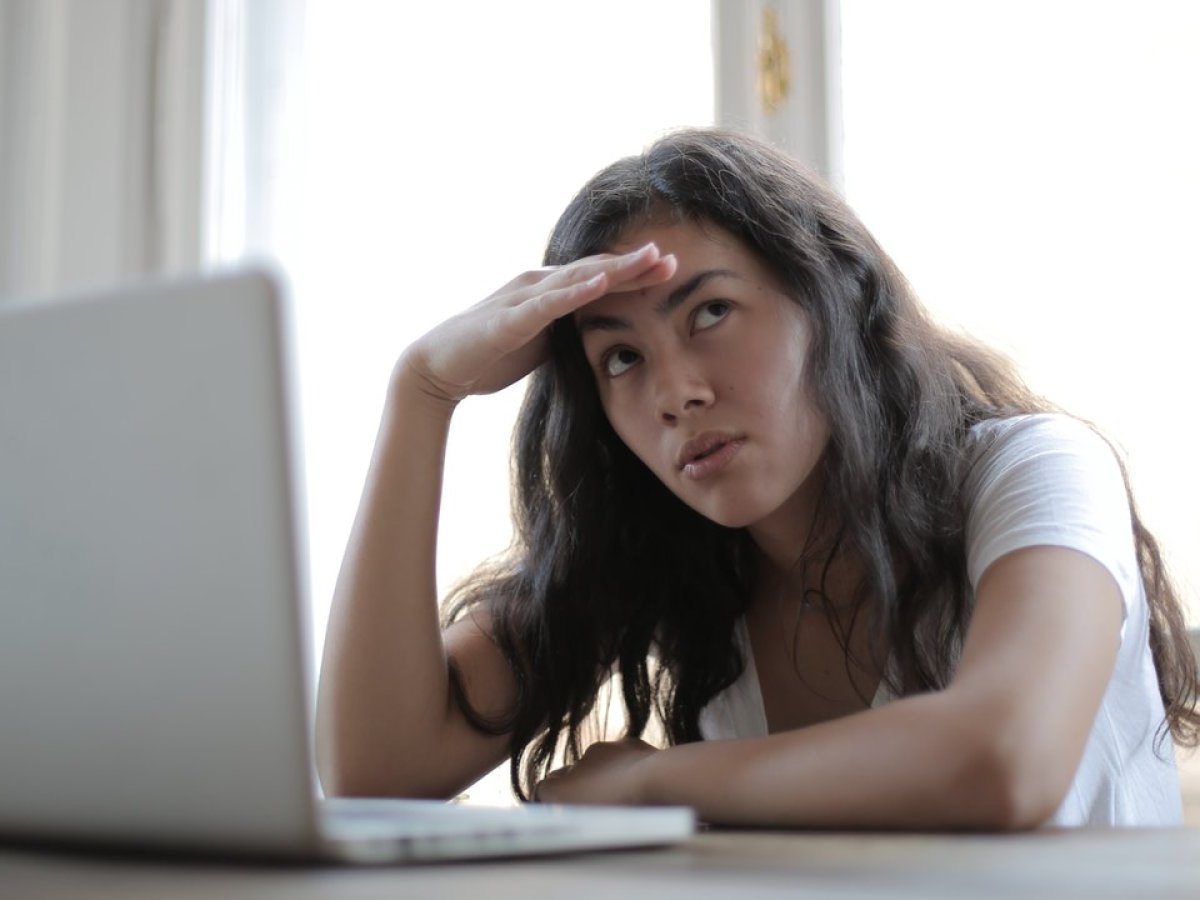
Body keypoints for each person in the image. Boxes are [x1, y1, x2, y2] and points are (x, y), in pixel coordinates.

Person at [315, 128, 1198, 829]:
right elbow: (376, 769)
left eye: (709, 312)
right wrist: (421, 392)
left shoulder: (1032, 470)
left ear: (833, 298)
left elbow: (1005, 760)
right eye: (621, 357)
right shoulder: (666, 552)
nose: (675, 393)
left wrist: (654, 784)